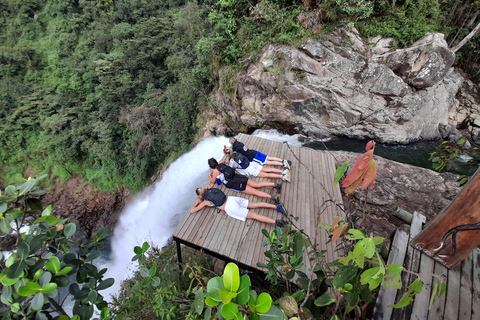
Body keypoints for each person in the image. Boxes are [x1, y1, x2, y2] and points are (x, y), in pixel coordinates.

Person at [190, 185, 289, 227]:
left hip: (229, 207)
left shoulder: (205, 202)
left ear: (199, 195)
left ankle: (277, 222)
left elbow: (192, 211)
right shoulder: (210, 189)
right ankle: (277, 207)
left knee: (254, 216)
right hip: (232, 198)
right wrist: (203, 191)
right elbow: (207, 185)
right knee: (256, 205)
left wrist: (198, 201)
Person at [207, 163, 283, 203]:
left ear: (211, 166)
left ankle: (273, 198)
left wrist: (209, 176)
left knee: (255, 192)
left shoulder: (215, 171)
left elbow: (213, 181)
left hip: (235, 183)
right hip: (238, 177)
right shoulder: (221, 164)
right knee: (257, 185)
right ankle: (275, 184)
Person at [221, 149, 292, 182]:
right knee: (266, 170)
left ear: (227, 154)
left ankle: (283, 177)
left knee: (266, 175)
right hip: (251, 164)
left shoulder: (232, 161)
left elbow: (230, 168)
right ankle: (283, 171)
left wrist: (225, 164)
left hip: (249, 170)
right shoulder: (236, 152)